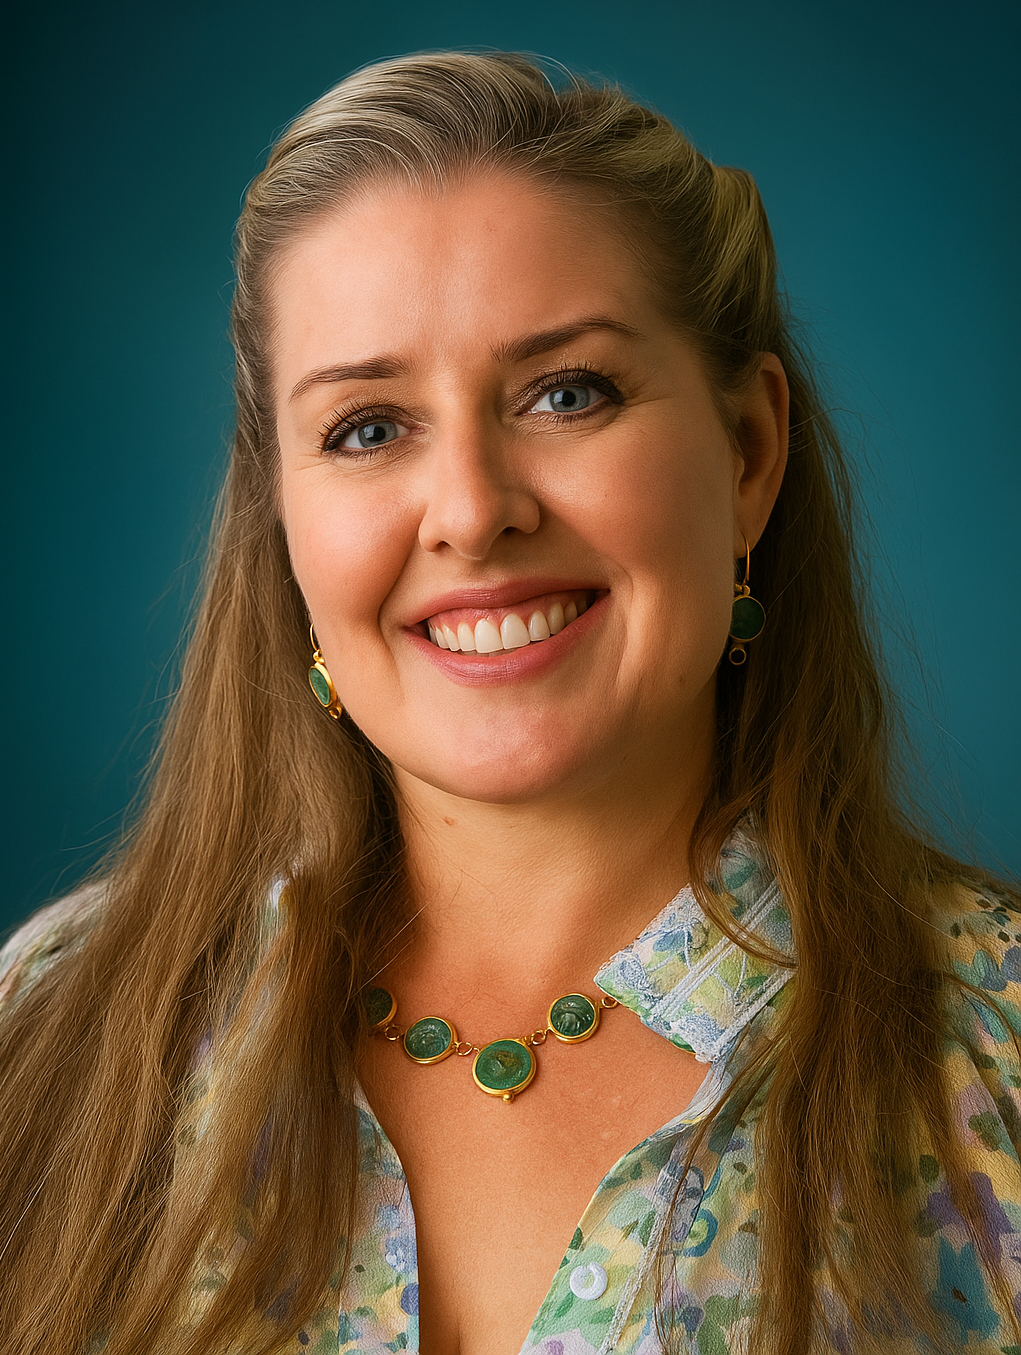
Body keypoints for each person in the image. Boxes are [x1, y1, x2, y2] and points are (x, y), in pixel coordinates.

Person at [0, 48, 1018, 1355]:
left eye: (566, 392)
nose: (475, 511)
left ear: (751, 454)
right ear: (282, 521)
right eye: (368, 426)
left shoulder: (1002, 1049)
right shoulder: (45, 1032)